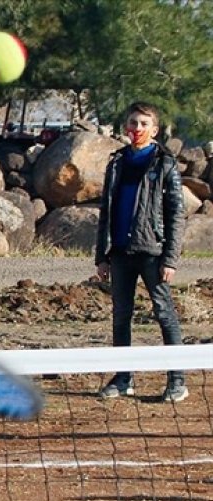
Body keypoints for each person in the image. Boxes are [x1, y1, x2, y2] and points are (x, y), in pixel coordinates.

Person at [94, 100, 188, 402]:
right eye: (133, 123)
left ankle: (177, 382)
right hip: (120, 252)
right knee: (121, 317)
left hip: (153, 253)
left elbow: (176, 214)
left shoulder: (166, 164)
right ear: (126, 126)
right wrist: (102, 255)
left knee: (164, 314)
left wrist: (170, 258)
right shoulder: (117, 162)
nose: (137, 128)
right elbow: (105, 212)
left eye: (143, 124)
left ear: (154, 129)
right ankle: (123, 379)